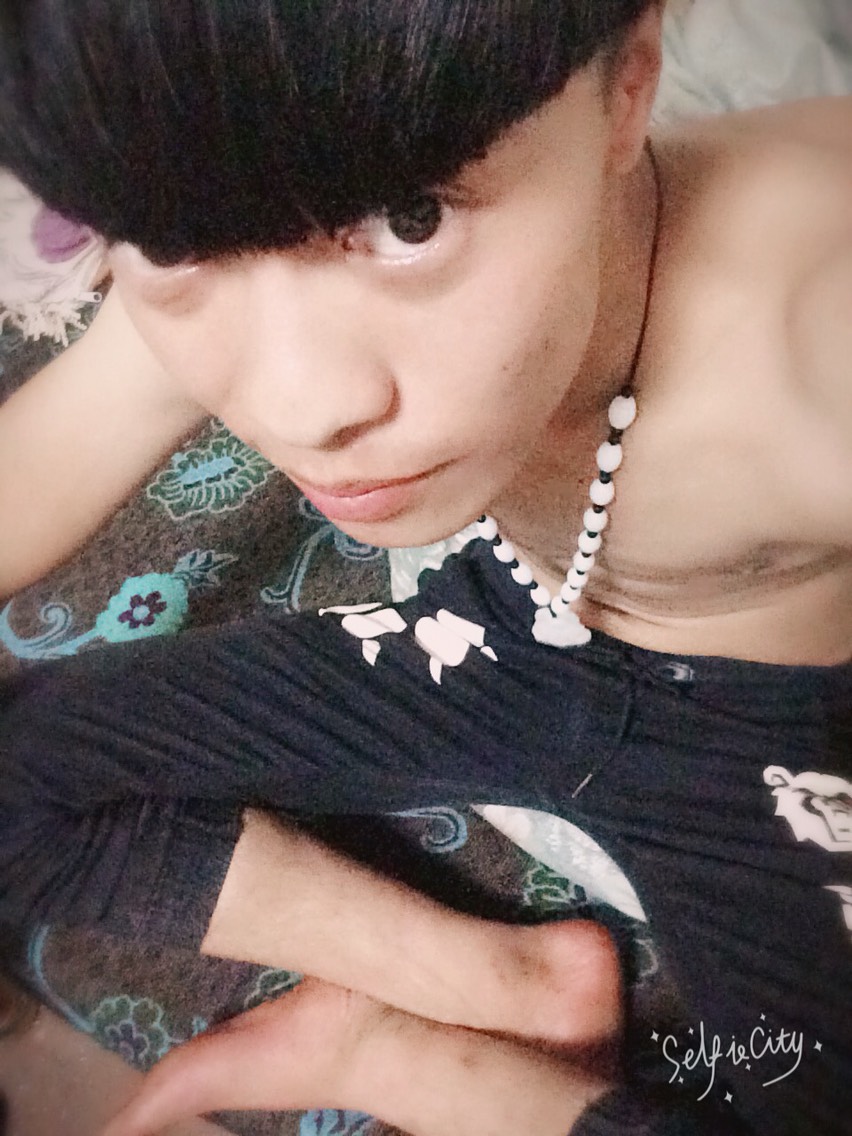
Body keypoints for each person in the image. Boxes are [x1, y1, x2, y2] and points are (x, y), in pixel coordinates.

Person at [0, 0, 850, 1133]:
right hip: (492, 627)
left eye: (411, 219)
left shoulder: (815, 332)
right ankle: (489, 983)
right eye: (169, 249)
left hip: (746, 736)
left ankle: (427, 1074)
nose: (300, 407)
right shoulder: (232, 211)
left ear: (628, 83)